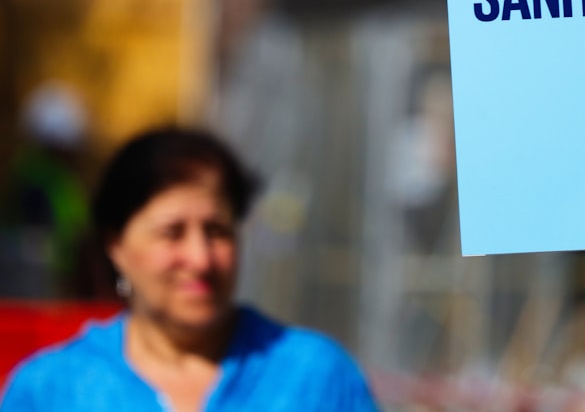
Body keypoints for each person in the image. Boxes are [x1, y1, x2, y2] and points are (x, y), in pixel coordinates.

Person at [0, 126, 379, 411]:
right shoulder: (53, 390)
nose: (200, 258)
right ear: (115, 246)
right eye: (172, 233)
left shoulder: (314, 379)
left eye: (217, 231)